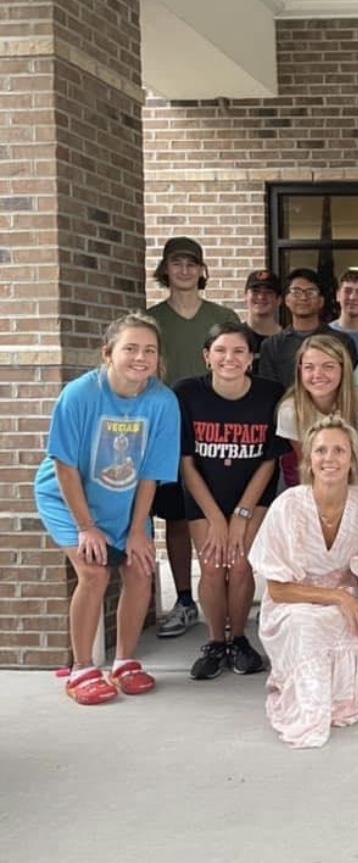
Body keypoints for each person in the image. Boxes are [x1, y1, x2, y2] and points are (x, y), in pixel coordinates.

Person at [35, 313, 180, 704]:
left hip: (125, 500)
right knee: (94, 572)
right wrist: (86, 527)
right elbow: (64, 465)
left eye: (149, 350)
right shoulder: (80, 395)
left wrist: (138, 530)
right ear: (108, 353)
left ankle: (125, 662)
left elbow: (150, 473)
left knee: (141, 568)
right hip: (67, 498)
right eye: (130, 348)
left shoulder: (163, 402)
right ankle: (82, 668)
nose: (141, 357)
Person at [249, 417, 358, 748]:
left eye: (339, 450)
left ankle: (342, 701)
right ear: (308, 459)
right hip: (292, 604)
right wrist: (339, 598)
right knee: (306, 624)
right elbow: (277, 589)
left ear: (352, 458)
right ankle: (308, 711)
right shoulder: (288, 505)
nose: (329, 458)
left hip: (346, 599)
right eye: (321, 450)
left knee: (346, 620)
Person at [175, 321, 286, 680]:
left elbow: (269, 460)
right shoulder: (187, 393)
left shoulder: (270, 394)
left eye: (239, 351)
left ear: (251, 358)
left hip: (252, 494)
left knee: (239, 565)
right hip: (203, 493)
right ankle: (214, 642)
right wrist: (216, 518)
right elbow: (186, 463)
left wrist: (240, 514)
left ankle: (238, 638)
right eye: (220, 350)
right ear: (207, 356)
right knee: (211, 565)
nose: (230, 358)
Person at [145, 236, 238, 640]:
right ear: (165, 269)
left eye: (191, 264)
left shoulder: (222, 316)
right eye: (176, 263)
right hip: (168, 428)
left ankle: (227, 600)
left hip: (217, 429)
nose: (184, 270)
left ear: (202, 270)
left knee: (222, 514)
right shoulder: (151, 320)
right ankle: (185, 600)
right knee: (178, 517)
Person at [276, 334, 358, 488]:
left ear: (343, 368)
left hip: (352, 480)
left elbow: (357, 460)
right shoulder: (290, 410)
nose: (318, 374)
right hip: (306, 481)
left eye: (328, 366)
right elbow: (306, 463)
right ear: (300, 370)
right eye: (309, 367)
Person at [257, 268, 358, 388]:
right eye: (296, 292)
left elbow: (349, 386)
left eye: (311, 292)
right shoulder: (272, 345)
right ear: (287, 300)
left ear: (321, 301)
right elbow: (269, 389)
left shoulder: (342, 342)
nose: (303, 298)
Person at [242, 269, 283, 352]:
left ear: (279, 300)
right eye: (255, 292)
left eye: (268, 292)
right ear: (245, 297)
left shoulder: (289, 340)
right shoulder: (235, 338)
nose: (261, 297)